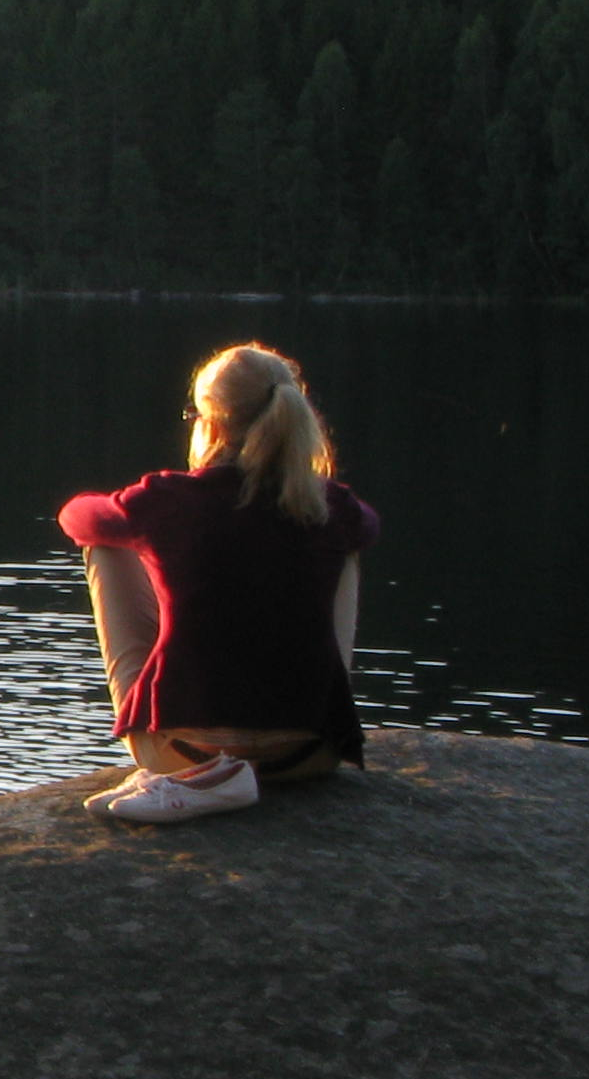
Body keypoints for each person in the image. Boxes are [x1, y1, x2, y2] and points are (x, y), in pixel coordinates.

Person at [56, 341, 378, 825]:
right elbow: (370, 525)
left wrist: (132, 518)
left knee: (104, 543)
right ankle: (315, 706)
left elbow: (77, 518)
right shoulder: (330, 503)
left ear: (212, 421)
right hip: (311, 754)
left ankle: (206, 767)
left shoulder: (167, 497)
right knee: (347, 545)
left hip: (178, 753)